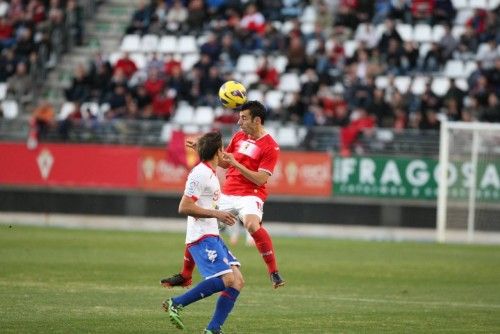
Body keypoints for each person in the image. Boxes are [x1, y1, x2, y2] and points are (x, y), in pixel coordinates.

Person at [162, 100, 285, 289]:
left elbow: (260, 179)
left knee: (252, 225)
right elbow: (225, 162)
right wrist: (202, 149)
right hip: (228, 192)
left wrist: (237, 164)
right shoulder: (239, 137)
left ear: (257, 120)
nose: (239, 122)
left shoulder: (271, 146)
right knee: (199, 221)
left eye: (244, 118)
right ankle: (186, 275)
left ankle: (274, 272)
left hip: (251, 194)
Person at [163, 131, 244, 334]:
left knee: (237, 280)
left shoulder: (210, 170)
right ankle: (176, 303)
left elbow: (224, 161)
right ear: (218, 151)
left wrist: (201, 146)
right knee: (226, 279)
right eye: (222, 148)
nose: (224, 151)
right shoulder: (200, 173)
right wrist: (216, 213)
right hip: (202, 236)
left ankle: (213, 328)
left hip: (212, 235)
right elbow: (184, 206)